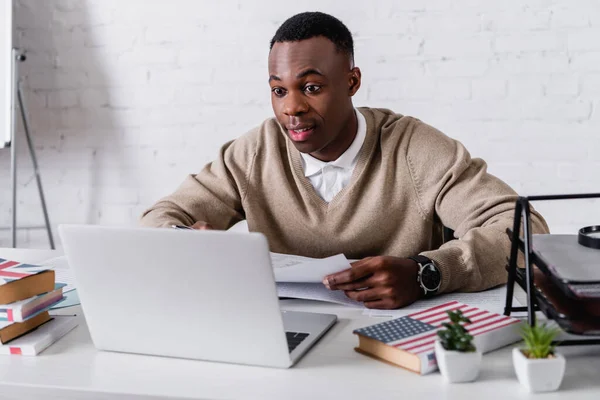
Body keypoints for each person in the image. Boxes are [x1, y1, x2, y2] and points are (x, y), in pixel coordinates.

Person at [140, 11, 549, 309]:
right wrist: (185, 241)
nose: (292, 108)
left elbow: (524, 230)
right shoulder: (252, 153)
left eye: (312, 87)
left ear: (352, 82)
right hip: (283, 332)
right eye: (279, 91)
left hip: (398, 335)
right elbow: (161, 216)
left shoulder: (414, 148)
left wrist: (428, 272)